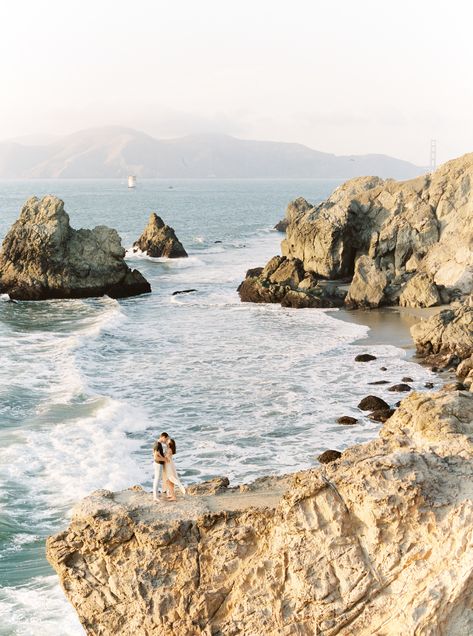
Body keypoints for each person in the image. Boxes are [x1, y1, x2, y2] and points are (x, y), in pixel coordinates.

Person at [162, 437, 186, 502]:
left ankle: (173, 497)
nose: (166, 442)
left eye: (168, 442)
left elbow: (165, 458)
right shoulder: (168, 449)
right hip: (169, 465)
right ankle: (172, 495)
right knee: (170, 481)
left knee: (169, 481)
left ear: (170, 444)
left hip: (168, 466)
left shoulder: (169, 450)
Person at [152, 433, 168, 501]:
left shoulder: (157, 443)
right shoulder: (158, 445)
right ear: (162, 437)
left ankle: (155, 495)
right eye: (166, 439)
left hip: (157, 464)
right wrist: (164, 459)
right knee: (157, 480)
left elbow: (156, 454)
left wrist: (163, 456)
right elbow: (156, 457)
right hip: (158, 464)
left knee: (157, 479)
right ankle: (155, 497)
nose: (166, 441)